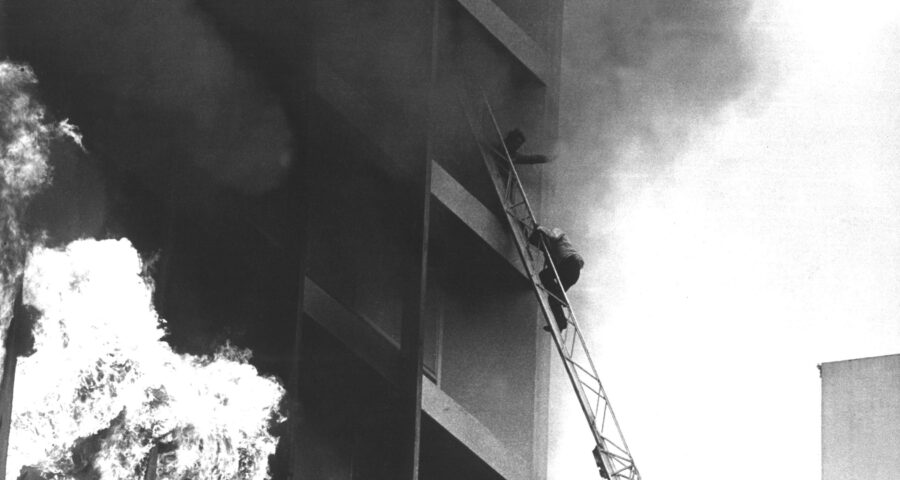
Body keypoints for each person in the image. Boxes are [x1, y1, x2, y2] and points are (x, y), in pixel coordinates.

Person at [528, 225, 584, 331]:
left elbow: (553, 235)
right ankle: (561, 323)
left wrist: (540, 228)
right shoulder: (553, 251)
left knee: (544, 276)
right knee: (553, 298)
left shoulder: (558, 231)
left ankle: (560, 297)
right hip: (570, 271)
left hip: (570, 264)